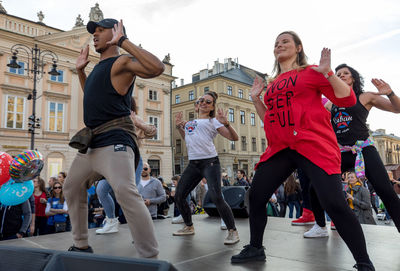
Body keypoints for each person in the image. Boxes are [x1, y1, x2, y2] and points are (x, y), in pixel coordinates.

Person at [231, 31, 374, 271]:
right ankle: (256, 248)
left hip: (312, 143)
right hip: (281, 147)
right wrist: (257, 99)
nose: (279, 45)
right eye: (276, 43)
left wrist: (328, 72)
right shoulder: (274, 83)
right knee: (255, 196)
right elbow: (270, 121)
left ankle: (364, 263)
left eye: (285, 41)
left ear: (298, 47)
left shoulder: (311, 72)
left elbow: (347, 99)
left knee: (334, 204)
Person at [64, 18, 164, 257]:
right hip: (91, 143)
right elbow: (93, 95)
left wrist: (124, 42)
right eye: (94, 32)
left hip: (115, 139)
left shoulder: (122, 61)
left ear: (116, 32)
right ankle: (80, 245)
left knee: (124, 190)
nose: (95, 35)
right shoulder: (99, 67)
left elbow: (157, 68)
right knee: (71, 186)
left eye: (101, 31)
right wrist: (80, 71)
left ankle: (149, 254)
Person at [307, 64, 400, 237]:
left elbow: (397, 109)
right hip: (339, 152)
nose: (341, 75)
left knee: (386, 191)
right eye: (337, 74)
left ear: (353, 78)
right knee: (315, 186)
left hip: (363, 150)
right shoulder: (331, 102)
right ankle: (320, 227)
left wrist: (390, 93)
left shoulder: (364, 97)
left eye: (345, 73)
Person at [173, 91, 240, 245]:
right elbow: (187, 139)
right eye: (202, 100)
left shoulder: (213, 121)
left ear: (212, 107)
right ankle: (189, 226)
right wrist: (179, 127)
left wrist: (226, 123)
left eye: (208, 102)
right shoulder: (190, 123)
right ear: (197, 104)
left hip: (210, 162)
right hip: (193, 163)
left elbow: (234, 138)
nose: (204, 103)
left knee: (216, 197)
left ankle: (232, 231)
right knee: (179, 196)